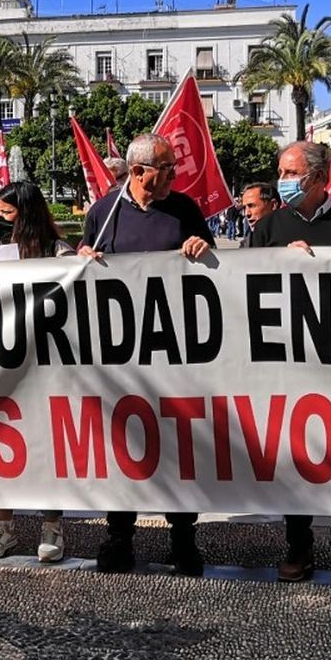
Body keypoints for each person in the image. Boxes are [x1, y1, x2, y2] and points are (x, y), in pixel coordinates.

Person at [78, 133, 213, 576]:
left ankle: (183, 536)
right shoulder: (104, 211)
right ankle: (119, 536)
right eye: (166, 167)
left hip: (176, 353)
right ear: (137, 173)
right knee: (124, 446)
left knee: (177, 445)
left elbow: (217, 267)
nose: (176, 174)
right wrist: (82, 257)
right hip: (122, 357)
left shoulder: (185, 209)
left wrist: (202, 250)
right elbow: (85, 265)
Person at [247, 142, 331, 586]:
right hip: (289, 364)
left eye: (291, 172)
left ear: (318, 179)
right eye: (280, 170)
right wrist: (277, 260)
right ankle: (298, 548)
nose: (282, 179)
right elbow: (243, 285)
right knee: (296, 458)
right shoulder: (269, 226)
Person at [0, 180, 75, 562]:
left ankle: (52, 524)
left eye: (8, 214)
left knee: (47, 447)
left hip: (48, 365)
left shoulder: (56, 249)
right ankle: (4, 524)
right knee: (5, 446)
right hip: (4, 364)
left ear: (27, 213)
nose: (1, 221)